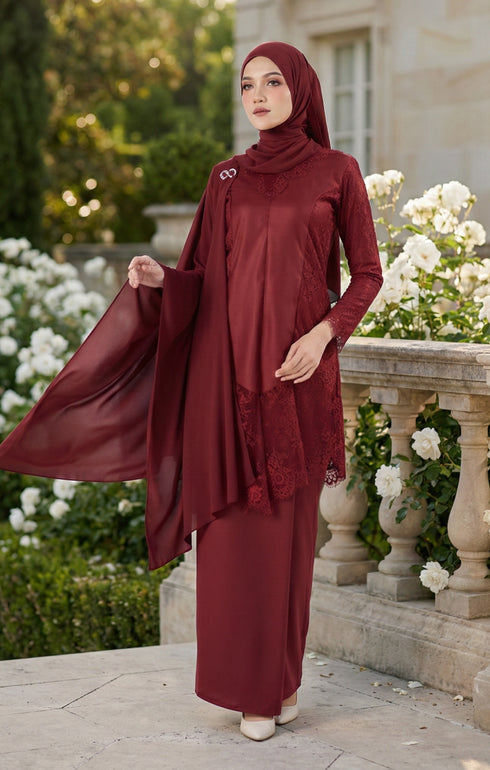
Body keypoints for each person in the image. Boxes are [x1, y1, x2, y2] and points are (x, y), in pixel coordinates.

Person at [0, 42, 382, 741]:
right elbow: (203, 279)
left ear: (300, 87)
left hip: (296, 383)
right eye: (247, 85)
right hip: (228, 387)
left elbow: (366, 276)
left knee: (290, 544)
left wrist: (324, 334)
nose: (258, 94)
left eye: (272, 81)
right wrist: (159, 283)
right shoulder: (226, 177)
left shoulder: (337, 172)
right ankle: (251, 694)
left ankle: (280, 683)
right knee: (237, 543)